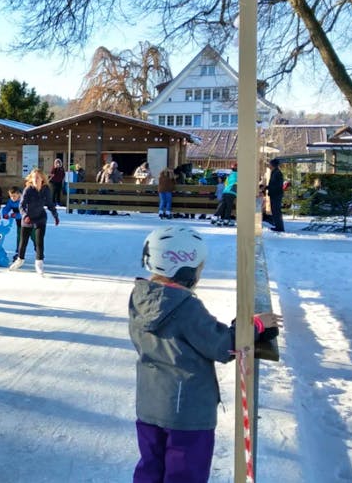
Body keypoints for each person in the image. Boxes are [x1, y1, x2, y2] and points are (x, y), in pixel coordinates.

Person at [130, 226, 281, 483]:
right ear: (185, 268)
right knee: (185, 474)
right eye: (199, 267)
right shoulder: (186, 307)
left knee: (151, 468)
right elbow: (221, 345)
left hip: (150, 404)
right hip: (187, 413)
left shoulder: (140, 297)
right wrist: (254, 327)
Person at [10, 169, 59, 275]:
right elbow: (21, 205)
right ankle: (20, 259)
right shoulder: (28, 190)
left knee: (39, 242)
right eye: (34, 177)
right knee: (23, 242)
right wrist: (25, 215)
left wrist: (55, 216)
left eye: (38, 177)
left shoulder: (46, 189)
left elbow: (50, 204)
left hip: (40, 218)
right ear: (31, 179)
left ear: (42, 179)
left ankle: (39, 263)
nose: (36, 179)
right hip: (28, 219)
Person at [267, 158, 285, 232]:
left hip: (276, 195)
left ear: (273, 165)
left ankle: (279, 227)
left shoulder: (277, 173)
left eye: (270, 164)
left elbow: (276, 185)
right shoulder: (274, 172)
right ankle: (277, 226)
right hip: (274, 194)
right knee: (274, 211)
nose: (269, 166)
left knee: (276, 211)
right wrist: (267, 187)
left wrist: (268, 187)